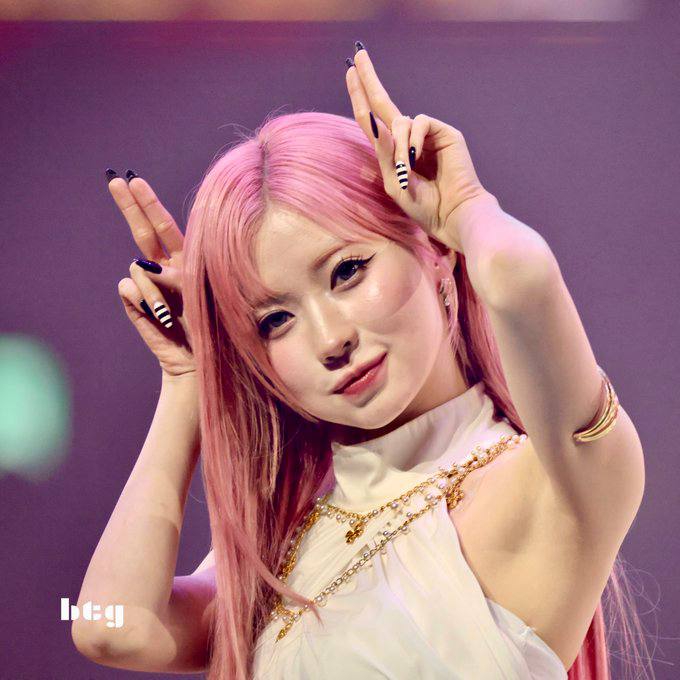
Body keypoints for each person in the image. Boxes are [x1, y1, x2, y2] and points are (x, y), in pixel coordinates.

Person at [72, 41, 653, 680]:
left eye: (347, 271)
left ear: (433, 246)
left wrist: (468, 210)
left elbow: (519, 275)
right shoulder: (289, 542)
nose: (330, 339)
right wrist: (190, 376)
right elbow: (107, 625)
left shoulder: (549, 483)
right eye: (274, 320)